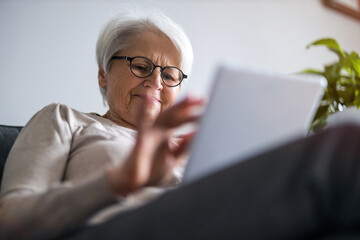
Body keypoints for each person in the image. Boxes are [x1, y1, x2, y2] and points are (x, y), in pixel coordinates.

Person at [1, 10, 360, 240]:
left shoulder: (189, 147)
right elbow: (10, 222)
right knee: (345, 145)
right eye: (141, 66)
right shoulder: (64, 119)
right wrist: (119, 181)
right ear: (103, 73)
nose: (156, 83)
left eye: (170, 75)